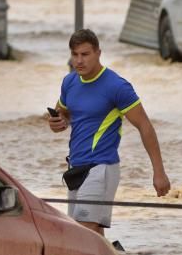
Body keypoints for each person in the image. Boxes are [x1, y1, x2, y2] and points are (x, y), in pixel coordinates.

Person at [47, 28, 171, 238]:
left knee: (83, 234)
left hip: (101, 168)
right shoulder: (69, 82)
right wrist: (57, 122)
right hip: (75, 167)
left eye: (85, 54)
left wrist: (159, 172)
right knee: (93, 238)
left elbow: (144, 126)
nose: (79, 61)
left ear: (98, 53)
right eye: (75, 54)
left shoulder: (116, 86)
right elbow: (64, 112)